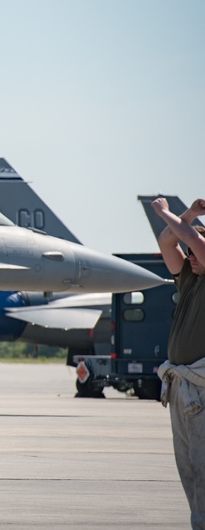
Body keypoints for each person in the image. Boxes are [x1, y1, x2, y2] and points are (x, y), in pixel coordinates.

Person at [152, 196, 205, 529]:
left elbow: (191, 239)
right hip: (182, 386)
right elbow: (168, 243)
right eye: (189, 255)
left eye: (195, 253)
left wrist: (165, 212)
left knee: (203, 466)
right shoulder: (189, 278)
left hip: (202, 386)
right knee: (188, 467)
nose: (190, 258)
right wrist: (189, 214)